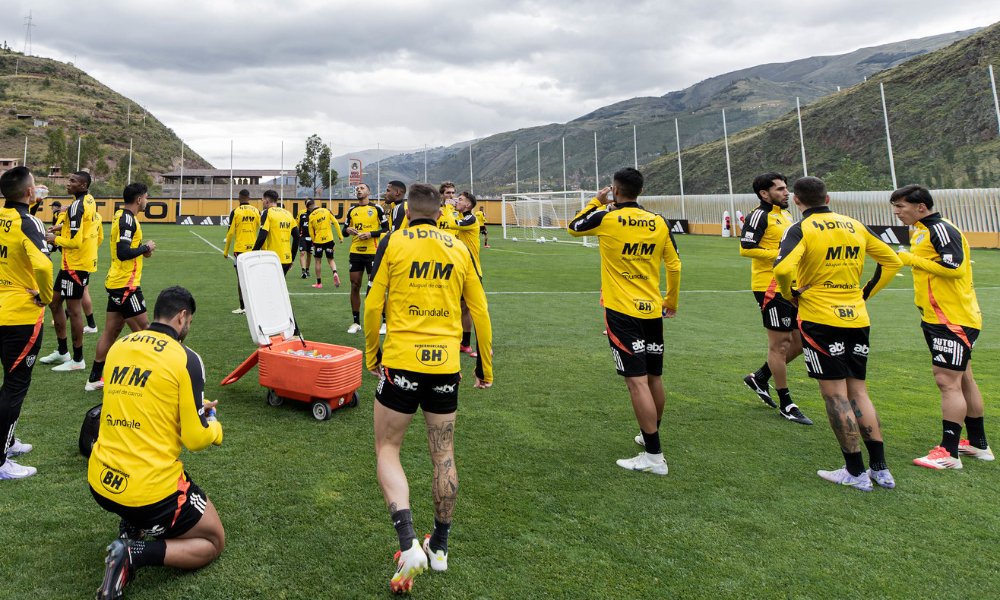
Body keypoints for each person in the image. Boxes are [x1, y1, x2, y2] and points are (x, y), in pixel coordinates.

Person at [364, 183, 493, 593]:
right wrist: (485, 365)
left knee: (388, 448)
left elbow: (372, 304)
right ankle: (439, 546)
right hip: (445, 366)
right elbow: (480, 309)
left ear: (406, 210)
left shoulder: (394, 241)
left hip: (401, 361)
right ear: (441, 212)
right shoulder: (459, 248)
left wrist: (372, 353)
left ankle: (407, 544)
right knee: (443, 454)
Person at [89, 286, 224, 600]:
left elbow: (135, 403)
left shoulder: (120, 346)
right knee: (213, 540)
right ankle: (133, 553)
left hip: (100, 482)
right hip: (148, 492)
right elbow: (195, 439)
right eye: (189, 321)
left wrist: (192, 407)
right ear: (182, 317)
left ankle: (131, 524)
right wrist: (215, 427)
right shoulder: (186, 358)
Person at [772, 176, 902, 491]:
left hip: (821, 319)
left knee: (835, 395)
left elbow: (782, 269)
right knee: (859, 392)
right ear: (828, 199)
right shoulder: (854, 224)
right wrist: (864, 293)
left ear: (798, 202)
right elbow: (892, 261)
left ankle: (855, 472)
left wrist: (791, 294)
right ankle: (881, 470)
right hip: (856, 316)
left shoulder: (800, 228)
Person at [567, 167, 681, 476]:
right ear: (640, 191)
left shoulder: (607, 217)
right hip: (651, 309)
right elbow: (674, 263)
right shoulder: (658, 221)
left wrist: (596, 201)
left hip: (622, 310)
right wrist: (670, 301)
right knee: (654, 377)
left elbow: (574, 227)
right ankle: (649, 435)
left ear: (616, 190)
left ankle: (654, 457)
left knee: (636, 381)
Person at [890, 185, 992, 469]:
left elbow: (955, 267)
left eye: (901, 206)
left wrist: (910, 259)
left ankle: (948, 452)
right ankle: (978, 444)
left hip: (951, 318)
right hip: (941, 316)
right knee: (963, 379)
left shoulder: (941, 229)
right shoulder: (921, 229)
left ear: (921, 206)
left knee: (947, 381)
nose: (897, 212)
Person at [739, 172, 811, 424]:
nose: (786, 192)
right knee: (779, 346)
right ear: (764, 194)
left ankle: (759, 377)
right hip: (769, 286)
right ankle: (786, 403)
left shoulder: (786, 215)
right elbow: (746, 248)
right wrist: (782, 255)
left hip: (790, 285)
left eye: (786, 188)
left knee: (800, 342)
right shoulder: (759, 215)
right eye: (780, 189)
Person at [0, 166, 53, 480]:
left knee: (8, 385)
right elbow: (44, 266)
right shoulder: (28, 221)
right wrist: (45, 296)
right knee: (15, 387)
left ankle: (7, 438)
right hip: (20, 315)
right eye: (35, 185)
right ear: (29, 192)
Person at [85, 183, 157, 392]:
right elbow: (123, 251)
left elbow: (125, 250)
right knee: (146, 331)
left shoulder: (122, 216)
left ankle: (94, 379)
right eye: (146, 197)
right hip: (126, 285)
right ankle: (151, 377)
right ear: (139, 199)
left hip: (118, 282)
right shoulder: (127, 219)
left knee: (111, 331)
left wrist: (142, 251)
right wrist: (146, 247)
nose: (147, 201)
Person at [39, 171, 98, 372]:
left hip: (76, 265)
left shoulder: (77, 206)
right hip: (73, 263)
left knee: (74, 310)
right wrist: (60, 227)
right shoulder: (88, 200)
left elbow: (75, 241)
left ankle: (78, 360)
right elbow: (87, 227)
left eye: (73, 181)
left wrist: (54, 239)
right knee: (54, 303)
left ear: (83, 185)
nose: (68, 183)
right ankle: (63, 351)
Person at [343, 183, 388, 333]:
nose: (359, 190)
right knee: (355, 285)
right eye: (357, 189)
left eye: (362, 188)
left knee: (376, 286)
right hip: (355, 252)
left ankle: (385, 321)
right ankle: (356, 323)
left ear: (369, 191)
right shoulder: (352, 210)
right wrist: (347, 230)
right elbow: (344, 231)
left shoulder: (377, 209)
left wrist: (371, 234)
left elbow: (387, 229)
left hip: (373, 252)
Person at [452, 191, 483, 357]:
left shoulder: (469, 218)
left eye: (461, 199)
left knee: (477, 310)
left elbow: (451, 223)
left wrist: (443, 210)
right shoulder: (462, 217)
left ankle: (485, 347)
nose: (457, 200)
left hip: (473, 271)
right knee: (462, 307)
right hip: (462, 269)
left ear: (468, 205)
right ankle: (465, 343)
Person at [223, 189, 260, 315]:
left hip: (240, 250)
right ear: (249, 198)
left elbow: (230, 233)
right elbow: (261, 230)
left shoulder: (235, 212)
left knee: (241, 279)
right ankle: (255, 305)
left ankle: (243, 306)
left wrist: (225, 251)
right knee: (253, 278)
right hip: (254, 249)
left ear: (239, 197)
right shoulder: (256, 211)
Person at [252, 190, 298, 276]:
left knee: (269, 287)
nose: (262, 202)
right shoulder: (288, 214)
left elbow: (262, 236)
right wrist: (292, 258)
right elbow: (297, 237)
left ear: (267, 201)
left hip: (273, 260)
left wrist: (253, 253)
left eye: (263, 200)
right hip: (287, 260)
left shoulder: (267, 213)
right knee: (278, 286)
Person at [307, 201, 343, 289]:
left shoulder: (311, 216)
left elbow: (311, 232)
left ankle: (319, 283)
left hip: (318, 241)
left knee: (318, 261)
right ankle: (335, 272)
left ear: (309, 208)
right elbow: (335, 222)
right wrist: (340, 236)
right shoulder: (326, 211)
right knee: (331, 259)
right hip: (329, 240)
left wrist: (313, 242)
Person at [298, 198, 315, 279]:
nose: (312, 207)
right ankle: (303, 271)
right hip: (303, 237)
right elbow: (299, 226)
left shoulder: (315, 215)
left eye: (313, 205)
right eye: (311, 205)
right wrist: (298, 235)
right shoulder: (302, 215)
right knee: (302, 253)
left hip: (312, 238)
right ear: (307, 207)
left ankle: (307, 270)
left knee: (309, 254)